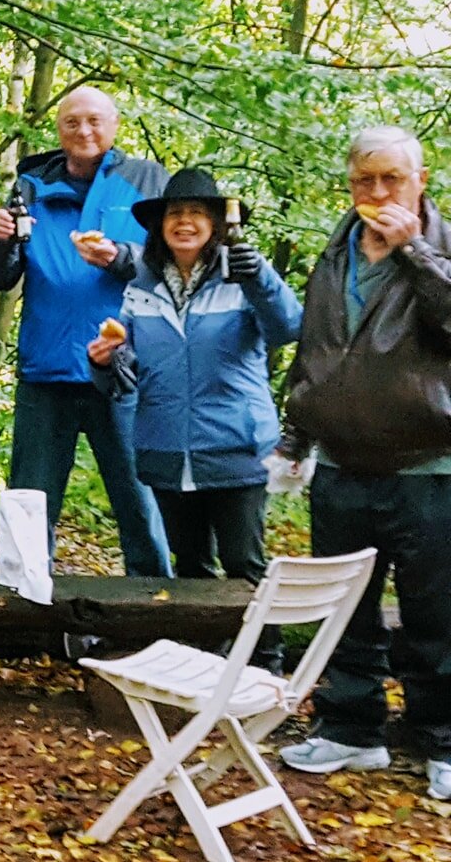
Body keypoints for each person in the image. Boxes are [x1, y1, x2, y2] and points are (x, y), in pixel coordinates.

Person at [275, 127, 451, 800]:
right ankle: (352, 729)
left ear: (419, 180)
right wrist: (296, 435)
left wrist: (415, 252)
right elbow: (316, 349)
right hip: (343, 465)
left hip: (429, 466)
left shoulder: (440, 244)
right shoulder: (335, 249)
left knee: (436, 614)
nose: (378, 194)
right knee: (343, 609)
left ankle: (442, 737)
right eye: (364, 181)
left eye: (392, 179)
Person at [0, 86, 172, 576]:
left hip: (125, 369)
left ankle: (156, 605)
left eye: (94, 121)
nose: (84, 132)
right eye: (72, 122)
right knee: (29, 503)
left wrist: (122, 258)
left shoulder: (146, 180)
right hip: (46, 368)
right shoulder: (30, 187)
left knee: (140, 500)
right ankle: (22, 604)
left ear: (114, 125)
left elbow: (180, 264)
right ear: (59, 130)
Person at [87, 168, 299, 588]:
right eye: (175, 213)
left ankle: (264, 655)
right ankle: (201, 652)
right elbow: (124, 380)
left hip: (235, 448)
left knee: (244, 566)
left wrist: (260, 278)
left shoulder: (243, 275)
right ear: (159, 226)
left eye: (197, 213)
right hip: (164, 449)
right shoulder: (140, 286)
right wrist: (103, 363)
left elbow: (288, 328)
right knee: (190, 571)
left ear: (216, 224)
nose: (185, 222)